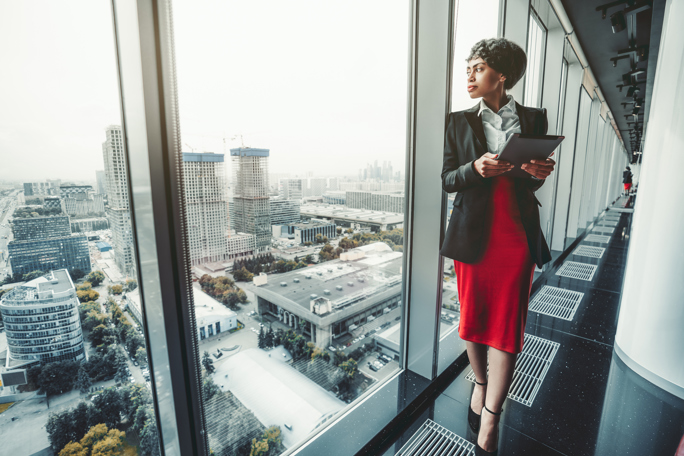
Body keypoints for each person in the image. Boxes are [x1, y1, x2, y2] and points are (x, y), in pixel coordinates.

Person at [440, 38, 556, 456]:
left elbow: (535, 178)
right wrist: (474, 168)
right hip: (473, 232)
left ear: (501, 75)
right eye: (468, 68)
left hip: (516, 234)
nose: (468, 75)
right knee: (472, 320)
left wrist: (540, 171)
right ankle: (482, 383)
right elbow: (447, 178)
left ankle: (492, 417)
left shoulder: (534, 117)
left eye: (477, 68)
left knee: (507, 326)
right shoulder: (456, 122)